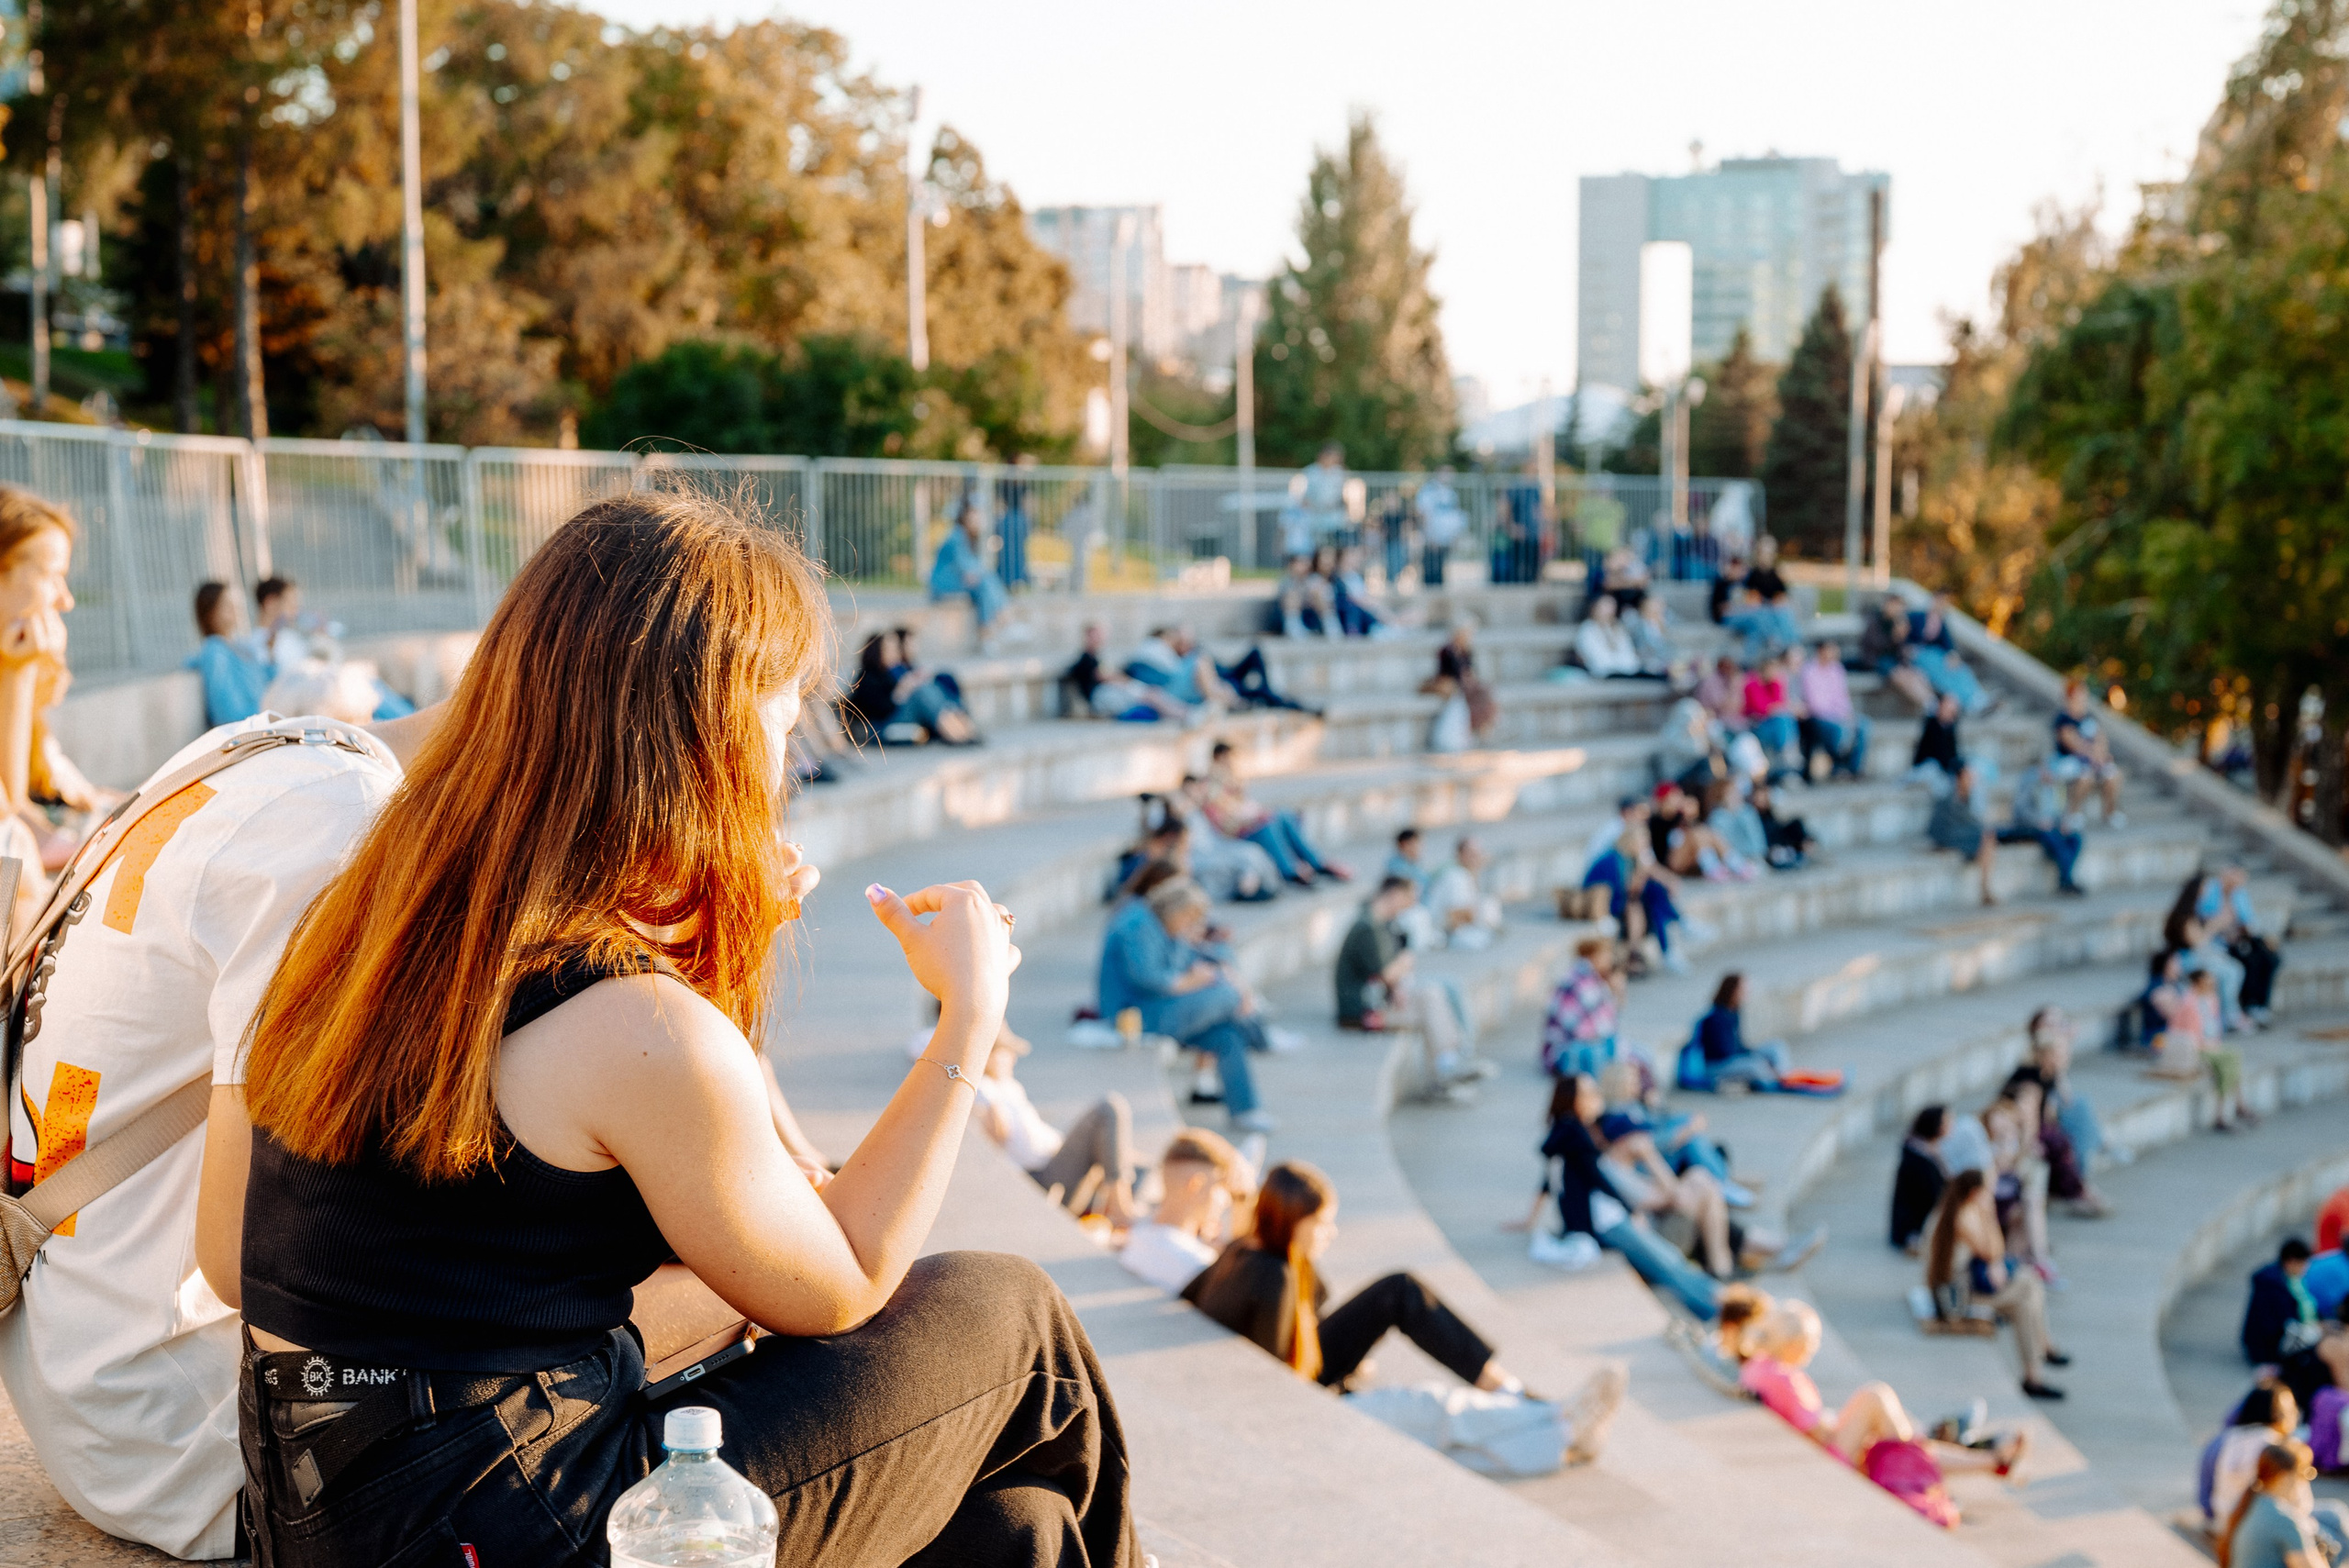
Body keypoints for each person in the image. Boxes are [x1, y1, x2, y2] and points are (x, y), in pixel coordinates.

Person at [229, 493, 1135, 1564]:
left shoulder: (369, 914)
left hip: (338, 1508)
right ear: (708, 727)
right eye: (782, 707)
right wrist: (968, 1016)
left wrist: (705, 940)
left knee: (1015, 1528)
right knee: (1014, 1322)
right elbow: (840, 1279)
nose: (790, 742)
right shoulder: (632, 1023)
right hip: (515, 1523)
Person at [1185, 1163, 1601, 1437]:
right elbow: (1280, 1379)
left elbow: (1193, 1294)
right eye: (1322, 1224)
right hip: (1304, 1385)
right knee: (1408, 1326)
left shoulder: (1246, 1249)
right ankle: (1527, 1406)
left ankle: (1513, 1395)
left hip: (1306, 1356)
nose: (1331, 1233)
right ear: (1291, 1222)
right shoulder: (1273, 1277)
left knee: (1400, 1291)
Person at [1739, 1301, 2025, 1520]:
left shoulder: (1759, 1367)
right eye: (1810, 1342)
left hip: (1810, 1457)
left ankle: (1985, 1458)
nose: (1814, 1349)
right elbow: (1820, 1433)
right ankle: (1968, 1451)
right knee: (1877, 1399)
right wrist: (1853, 1425)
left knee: (1892, 1424)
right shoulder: (1785, 1379)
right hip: (1823, 1464)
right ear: (1792, 1343)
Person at [1527, 1074, 1720, 1320]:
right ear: (1574, 1100)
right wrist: (1631, 1211)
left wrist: (1529, 1219)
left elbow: (1550, 1181)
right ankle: (1716, 1306)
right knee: (1666, 1262)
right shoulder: (1574, 1133)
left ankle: (1717, 1300)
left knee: (1667, 1259)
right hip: (1606, 1221)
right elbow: (1597, 1179)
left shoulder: (1564, 1132)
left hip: (1601, 1219)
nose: (1597, 1098)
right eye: (1590, 1094)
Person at [1100, 875, 1277, 1135]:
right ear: (1176, 910)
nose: (1190, 926)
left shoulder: (1165, 926)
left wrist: (1220, 974)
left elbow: (1198, 956)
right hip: (1136, 1015)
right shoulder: (1137, 924)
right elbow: (1149, 978)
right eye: (1188, 919)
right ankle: (1261, 1037)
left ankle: (1246, 1110)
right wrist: (1194, 981)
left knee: (1227, 1034)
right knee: (1228, 997)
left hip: (1166, 1008)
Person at [1335, 877, 1495, 1100]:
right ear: (1394, 894)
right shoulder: (1368, 926)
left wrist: (1399, 975)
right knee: (1430, 1001)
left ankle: (1447, 1065)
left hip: (1375, 1001)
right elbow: (1386, 973)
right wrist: (1405, 962)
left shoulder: (1380, 923)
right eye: (1408, 899)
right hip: (1362, 1010)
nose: (1409, 906)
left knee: (1433, 996)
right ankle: (1445, 1069)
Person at [971, 1025, 1139, 1225]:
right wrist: (989, 1100)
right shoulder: (984, 1090)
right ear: (988, 1056)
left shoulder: (1009, 1086)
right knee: (1108, 1109)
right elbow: (998, 1139)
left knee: (1134, 1163)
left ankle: (1113, 1207)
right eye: (1006, 1053)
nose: (1013, 1059)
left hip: (1054, 1161)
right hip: (1042, 1180)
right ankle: (1120, 1209)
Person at [1925, 1170, 2070, 1399]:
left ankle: (2037, 1365)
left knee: (2029, 1287)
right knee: (2027, 1293)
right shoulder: (1963, 1217)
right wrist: (1990, 1214)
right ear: (1975, 1193)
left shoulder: (1956, 1210)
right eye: (1987, 1191)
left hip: (1956, 1290)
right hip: (1954, 1300)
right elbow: (1994, 1250)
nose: (1991, 1195)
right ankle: (2037, 1364)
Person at [1119, 1129, 1253, 1296]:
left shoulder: (1133, 1236)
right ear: (1195, 1185)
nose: (1226, 1201)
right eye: (1222, 1187)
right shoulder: (1197, 1265)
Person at [1203, 740, 1349, 886]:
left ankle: (1315, 861)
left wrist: (1257, 814)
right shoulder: (1213, 784)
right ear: (1219, 757)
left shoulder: (1230, 780)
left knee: (1284, 816)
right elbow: (1225, 821)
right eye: (1228, 758)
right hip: (1237, 831)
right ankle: (1290, 869)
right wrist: (1253, 818)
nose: (1232, 762)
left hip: (1246, 822)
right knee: (1268, 825)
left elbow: (1242, 806)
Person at [1581, 797, 1692, 974]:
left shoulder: (1628, 858)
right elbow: (1619, 893)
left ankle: (1672, 938)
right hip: (1600, 900)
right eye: (1643, 843)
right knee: (1643, 902)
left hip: (1619, 899)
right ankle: (1676, 930)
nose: (1645, 847)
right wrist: (1641, 877)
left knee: (1654, 896)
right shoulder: (1614, 859)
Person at [841, 628, 980, 746]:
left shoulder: (894, 670)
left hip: (900, 717)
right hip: (883, 726)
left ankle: (963, 731)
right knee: (922, 692)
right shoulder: (869, 677)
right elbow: (878, 711)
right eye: (889, 649)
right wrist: (902, 691)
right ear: (878, 651)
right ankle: (953, 734)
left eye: (896, 648)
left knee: (941, 680)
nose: (895, 653)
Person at [2220, 1440, 2332, 1568]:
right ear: (2285, 1478)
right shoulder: (2283, 1519)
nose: (2304, 1482)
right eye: (2303, 1474)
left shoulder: (2251, 1502)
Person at [2169, 871, 2254, 1035]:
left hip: (2200, 956)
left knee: (2234, 968)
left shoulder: (2197, 911)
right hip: (2188, 960)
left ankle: (2229, 1015)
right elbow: (2197, 943)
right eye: (2205, 888)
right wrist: (2215, 924)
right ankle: (2231, 1016)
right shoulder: (2185, 916)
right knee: (2230, 972)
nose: (2208, 892)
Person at [1063, 623, 1191, 722]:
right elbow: (1103, 676)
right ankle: (1186, 714)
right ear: (1087, 636)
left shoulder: (1096, 657)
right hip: (1103, 696)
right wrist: (1122, 679)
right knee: (1151, 696)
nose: (1099, 638)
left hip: (1112, 692)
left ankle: (1185, 712)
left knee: (1153, 695)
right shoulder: (1086, 658)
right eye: (1095, 635)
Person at [186, 581, 272, 728]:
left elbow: (265, 682)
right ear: (210, 612)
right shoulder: (214, 651)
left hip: (262, 720)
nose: (236, 609)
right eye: (227, 605)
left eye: (236, 603)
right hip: (248, 728)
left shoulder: (239, 645)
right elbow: (225, 713)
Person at [1685, 973, 1789, 1090]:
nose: (1746, 993)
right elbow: (1724, 1052)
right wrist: (1752, 1057)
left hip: (1735, 1056)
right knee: (1755, 1065)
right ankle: (1775, 1083)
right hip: (1718, 1065)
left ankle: (1784, 1076)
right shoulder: (1715, 1018)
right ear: (1732, 991)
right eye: (1743, 990)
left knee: (1775, 1046)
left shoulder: (1734, 1013)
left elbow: (1739, 1044)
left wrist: (1751, 1053)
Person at [2001, 758, 2087, 895]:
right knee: (2055, 839)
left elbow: (2060, 810)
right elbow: (2020, 810)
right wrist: (2039, 821)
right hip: (2031, 827)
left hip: (2052, 826)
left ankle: (2066, 878)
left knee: (2075, 838)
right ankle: (2066, 881)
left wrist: (2063, 823)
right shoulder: (2029, 783)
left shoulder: (2055, 786)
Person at [927, 499, 1007, 642]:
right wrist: (976, 574)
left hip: (956, 581)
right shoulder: (957, 537)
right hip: (943, 586)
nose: (980, 519)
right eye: (976, 515)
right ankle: (995, 626)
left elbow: (974, 568)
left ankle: (996, 624)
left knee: (987, 580)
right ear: (965, 517)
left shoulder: (965, 537)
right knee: (984, 582)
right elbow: (968, 570)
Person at [2051, 679, 2126, 827]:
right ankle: (2074, 812)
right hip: (2070, 761)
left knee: (2113, 775)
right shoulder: (2063, 719)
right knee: (2086, 777)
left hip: (2093, 761)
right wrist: (2093, 756)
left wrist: (2101, 755)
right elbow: (2072, 743)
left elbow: (2101, 739)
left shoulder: (2090, 717)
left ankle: (2110, 812)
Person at [1796, 640, 1870, 779]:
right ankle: (1838, 766)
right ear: (1821, 651)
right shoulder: (1809, 671)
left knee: (1863, 724)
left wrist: (1846, 714)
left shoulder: (1837, 669)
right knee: (1837, 730)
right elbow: (1814, 703)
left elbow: (1842, 697)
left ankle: (1854, 769)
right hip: (1818, 717)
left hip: (1837, 715)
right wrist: (1836, 717)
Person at [1929, 762, 1999, 906]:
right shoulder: (1950, 798)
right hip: (1949, 836)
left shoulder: (1967, 796)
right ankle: (1984, 888)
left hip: (1961, 834)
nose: (1971, 780)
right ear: (1959, 778)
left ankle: (1985, 887)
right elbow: (1940, 828)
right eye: (1968, 777)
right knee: (1986, 837)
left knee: (1987, 837)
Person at [2244, 1241, 2324, 1368]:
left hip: (2285, 1334)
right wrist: (2315, 1331)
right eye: (2303, 1263)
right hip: (2269, 1347)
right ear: (2291, 1261)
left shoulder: (2291, 1279)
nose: (2305, 1268)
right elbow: (2283, 1323)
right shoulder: (2273, 1285)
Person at [1424, 836, 1503, 951]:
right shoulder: (1455, 877)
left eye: (1478, 853)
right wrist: (1482, 915)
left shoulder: (1469, 876)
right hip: (1441, 934)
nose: (1476, 858)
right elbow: (1454, 918)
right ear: (1460, 855)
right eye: (1471, 854)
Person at [1890, 1106, 1951, 1254]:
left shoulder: (1928, 1150)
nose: (1951, 1126)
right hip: (1914, 1228)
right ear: (1935, 1125)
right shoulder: (1918, 1158)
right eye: (1947, 1122)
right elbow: (1933, 1195)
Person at [1861, 595, 1937, 710]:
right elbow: (1875, 646)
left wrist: (1901, 638)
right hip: (1877, 660)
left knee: (1918, 674)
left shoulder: (1898, 622)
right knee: (1901, 676)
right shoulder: (1875, 621)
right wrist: (1894, 637)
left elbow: (1899, 651)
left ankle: (1932, 702)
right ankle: (1930, 706)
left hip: (1894, 660)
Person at [1415, 465, 1465, 586]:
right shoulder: (1428, 490)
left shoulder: (1450, 492)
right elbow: (1424, 514)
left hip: (1444, 537)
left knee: (1440, 566)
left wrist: (1454, 535)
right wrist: (1430, 535)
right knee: (1430, 567)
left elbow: (1454, 514)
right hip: (1432, 535)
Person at [1574, 595, 1642, 679]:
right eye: (1605, 607)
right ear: (1595, 608)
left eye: (1612, 607)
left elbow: (1629, 654)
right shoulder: (1587, 629)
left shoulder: (1619, 628)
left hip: (1626, 672)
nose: (1609, 611)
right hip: (1603, 674)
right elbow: (1595, 658)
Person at [1629, 594, 1681, 679]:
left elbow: (1673, 646)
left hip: (1668, 660)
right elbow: (1641, 649)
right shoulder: (1638, 626)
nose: (1658, 608)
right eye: (1655, 605)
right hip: (1649, 662)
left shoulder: (1669, 623)